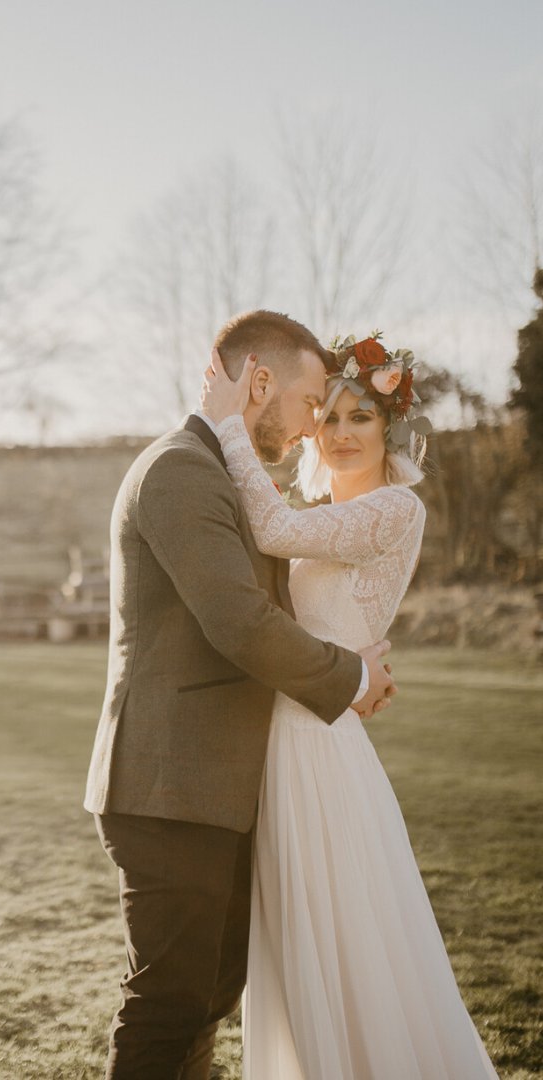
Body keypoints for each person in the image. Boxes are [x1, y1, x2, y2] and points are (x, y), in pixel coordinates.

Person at [84, 310, 396, 1080]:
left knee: (209, 994)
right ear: (260, 382)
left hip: (217, 788)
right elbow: (237, 620)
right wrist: (350, 678)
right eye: (309, 402)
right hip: (169, 785)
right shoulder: (179, 471)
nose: (312, 426)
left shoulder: (221, 473)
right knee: (170, 1000)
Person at [201, 336, 499, 1079]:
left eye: (359, 417)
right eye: (328, 416)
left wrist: (227, 423)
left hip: (317, 747)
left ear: (387, 430)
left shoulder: (396, 509)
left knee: (343, 941)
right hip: (284, 737)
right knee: (303, 944)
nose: (338, 433)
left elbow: (272, 529)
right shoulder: (318, 516)